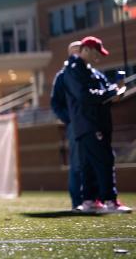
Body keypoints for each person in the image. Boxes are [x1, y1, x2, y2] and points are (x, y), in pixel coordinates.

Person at [62, 36, 131, 213]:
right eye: (96, 53)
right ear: (86, 50)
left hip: (90, 123)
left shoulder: (88, 70)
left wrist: (116, 90)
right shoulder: (75, 69)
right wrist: (110, 92)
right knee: (105, 160)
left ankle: (90, 200)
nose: (99, 57)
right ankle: (109, 200)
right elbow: (85, 95)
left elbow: (102, 93)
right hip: (90, 123)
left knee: (90, 164)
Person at [50, 41, 99, 212]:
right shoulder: (63, 76)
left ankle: (93, 199)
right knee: (77, 163)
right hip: (76, 125)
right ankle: (77, 202)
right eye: (75, 51)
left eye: (80, 50)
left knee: (93, 162)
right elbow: (55, 104)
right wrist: (70, 119)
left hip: (91, 124)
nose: (78, 54)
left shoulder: (90, 73)